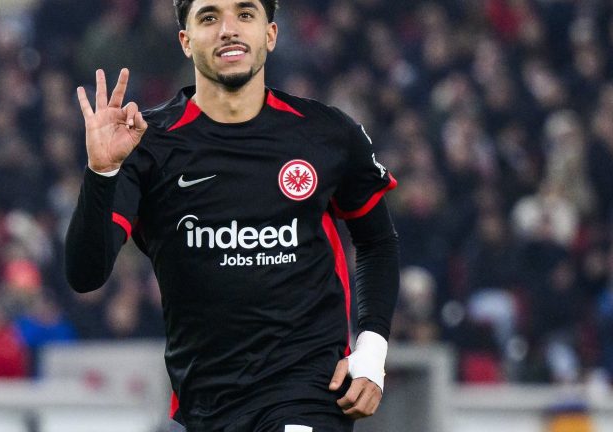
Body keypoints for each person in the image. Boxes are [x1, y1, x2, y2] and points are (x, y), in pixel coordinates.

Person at [65, 0, 399, 430]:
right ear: (185, 41)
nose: (228, 29)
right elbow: (85, 274)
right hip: (206, 405)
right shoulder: (144, 144)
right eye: (209, 17)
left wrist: (371, 352)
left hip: (307, 392)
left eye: (245, 14)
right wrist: (102, 172)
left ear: (271, 34)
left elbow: (376, 240)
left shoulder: (327, 134)